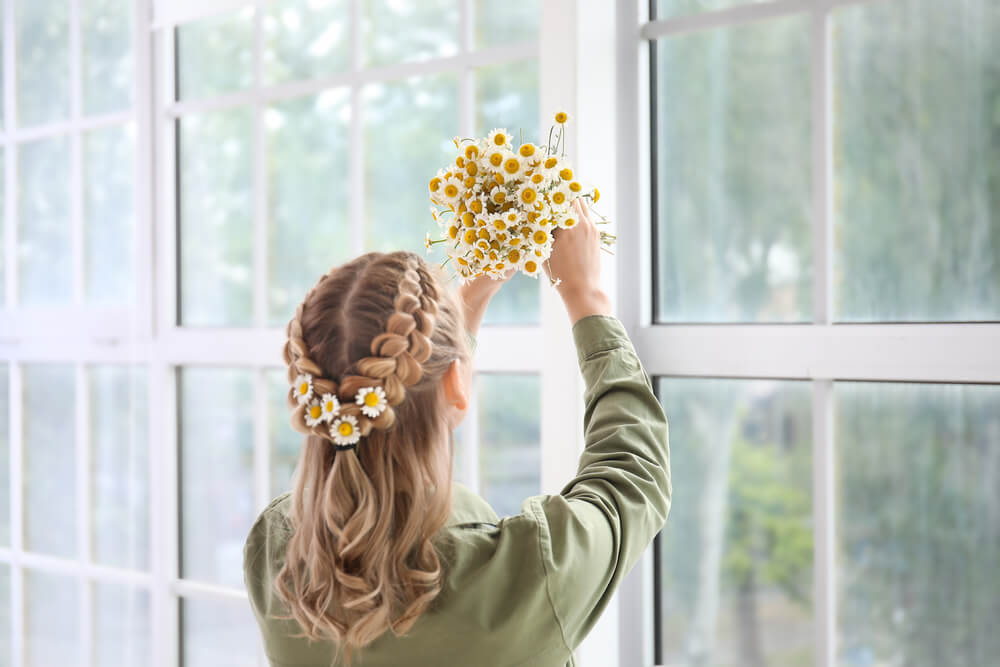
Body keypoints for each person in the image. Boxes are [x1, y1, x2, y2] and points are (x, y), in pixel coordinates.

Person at [243, 200, 671, 666]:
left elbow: (400, 409)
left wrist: (465, 308)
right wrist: (586, 297)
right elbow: (632, 475)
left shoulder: (277, 552)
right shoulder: (525, 576)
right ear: (455, 383)